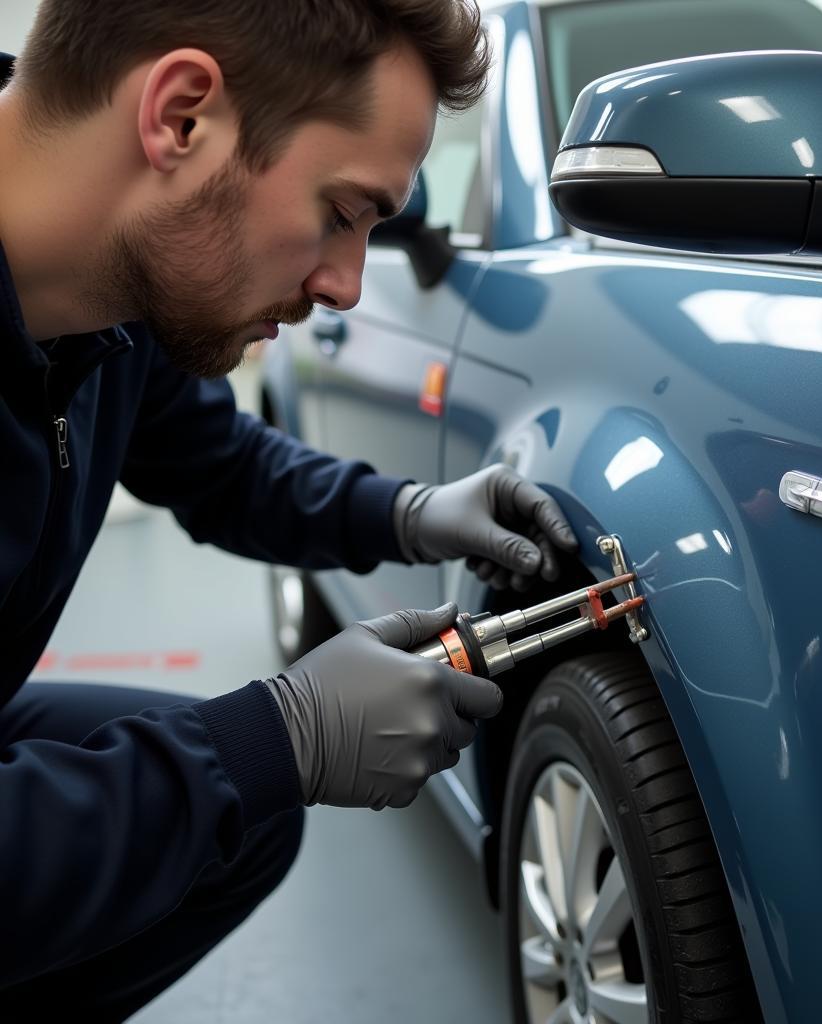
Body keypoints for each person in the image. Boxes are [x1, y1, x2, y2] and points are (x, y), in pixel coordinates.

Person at [0, 1, 579, 1018]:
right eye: (341, 212)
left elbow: (219, 464)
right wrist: (284, 736)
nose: (348, 286)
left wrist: (406, 513)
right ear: (182, 119)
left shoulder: (114, 309)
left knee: (244, 817)